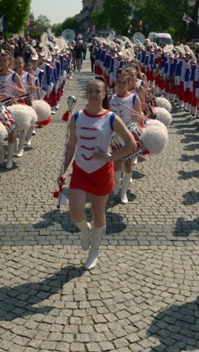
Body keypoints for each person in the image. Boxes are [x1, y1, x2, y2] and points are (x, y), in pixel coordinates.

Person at [60, 79, 135, 270]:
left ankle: (94, 252)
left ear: (104, 95)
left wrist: (111, 158)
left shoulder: (111, 118)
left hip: (101, 172)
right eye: (90, 91)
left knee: (98, 213)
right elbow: (71, 146)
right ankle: (85, 231)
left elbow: (131, 144)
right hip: (80, 170)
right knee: (75, 211)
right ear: (86, 94)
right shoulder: (77, 117)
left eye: (97, 91)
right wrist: (62, 170)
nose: (93, 94)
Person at [109, 72, 143, 204]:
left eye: (124, 83)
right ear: (116, 83)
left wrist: (135, 119)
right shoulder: (111, 98)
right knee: (116, 163)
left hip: (129, 135)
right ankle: (117, 184)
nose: (122, 85)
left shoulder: (134, 98)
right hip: (114, 135)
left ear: (129, 84)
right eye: (119, 82)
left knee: (128, 164)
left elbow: (138, 116)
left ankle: (124, 192)